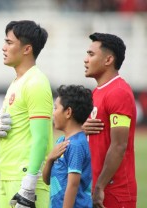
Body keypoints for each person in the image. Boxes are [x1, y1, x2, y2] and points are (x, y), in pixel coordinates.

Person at [0, 20, 53, 208]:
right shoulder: (17, 82)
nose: (3, 47)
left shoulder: (36, 82)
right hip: (8, 175)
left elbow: (41, 139)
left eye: (9, 42)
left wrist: (29, 184)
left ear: (27, 49)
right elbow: (16, 131)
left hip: (25, 180)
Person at [82, 32, 137, 208]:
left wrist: (100, 186)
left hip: (113, 191)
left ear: (108, 60)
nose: (85, 59)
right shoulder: (97, 92)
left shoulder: (118, 92)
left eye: (91, 54)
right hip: (98, 187)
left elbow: (119, 146)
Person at [42, 85, 93, 208]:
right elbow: (47, 180)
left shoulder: (76, 145)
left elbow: (73, 185)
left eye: (56, 108)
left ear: (68, 112)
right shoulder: (61, 141)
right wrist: (50, 159)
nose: (53, 113)